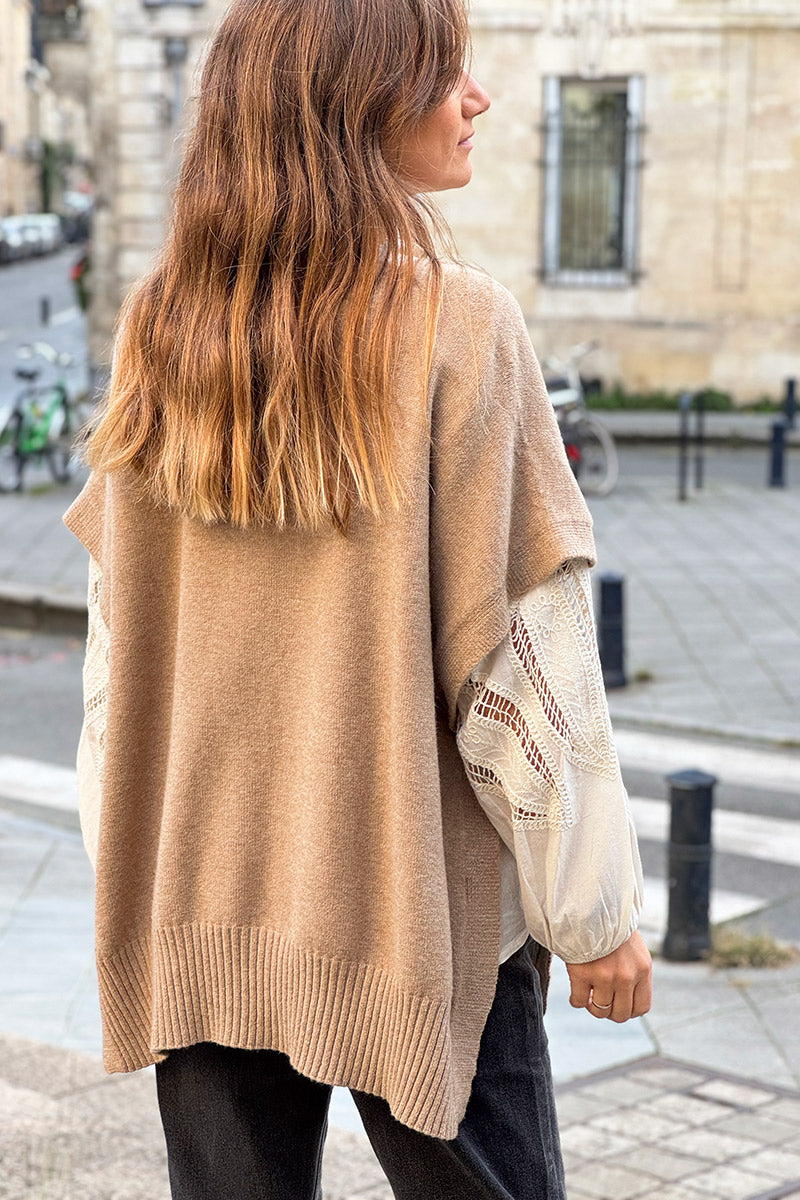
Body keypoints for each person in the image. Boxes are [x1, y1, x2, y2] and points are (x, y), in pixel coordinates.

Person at [65, 1, 652, 1197]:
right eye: (443, 73)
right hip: (409, 917)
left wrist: (139, 859)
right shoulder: (459, 324)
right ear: (356, 104)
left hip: (204, 901)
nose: (475, 99)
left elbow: (115, 654)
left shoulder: (161, 324)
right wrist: (592, 914)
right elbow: (519, 661)